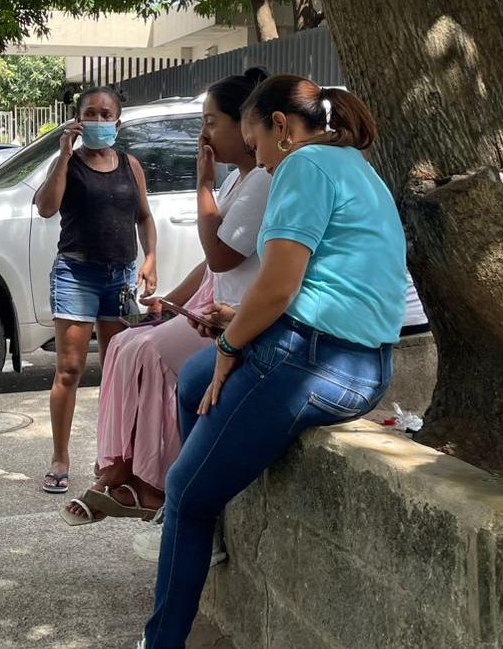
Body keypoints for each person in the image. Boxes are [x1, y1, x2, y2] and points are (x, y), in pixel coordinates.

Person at [141, 76, 405, 647]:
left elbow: (280, 285)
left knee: (185, 491)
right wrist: (234, 326)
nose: (256, 159)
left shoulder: (303, 168)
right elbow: (309, 284)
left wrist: (232, 345)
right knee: (191, 380)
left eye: (255, 142)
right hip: (354, 358)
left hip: (319, 360)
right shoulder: (351, 164)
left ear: (281, 128)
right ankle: (207, 516)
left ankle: (162, 636)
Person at [60, 68, 271, 530]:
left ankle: (151, 485)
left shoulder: (260, 182)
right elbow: (211, 265)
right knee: (121, 344)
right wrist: (169, 300)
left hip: (236, 316)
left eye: (212, 122)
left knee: (153, 354)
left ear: (246, 125)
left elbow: (219, 256)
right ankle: (118, 471)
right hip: (215, 303)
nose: (203, 133)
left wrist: (200, 183)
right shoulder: (237, 180)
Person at [33, 87, 159, 494]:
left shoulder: (130, 165)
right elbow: (46, 207)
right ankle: (60, 458)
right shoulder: (68, 164)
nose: (98, 121)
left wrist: (150, 257)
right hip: (76, 273)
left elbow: (144, 217)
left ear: (117, 123)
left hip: (119, 278)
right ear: (77, 120)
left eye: (106, 115)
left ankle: (113, 457)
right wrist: (63, 156)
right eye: (91, 114)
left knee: (117, 371)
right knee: (69, 370)